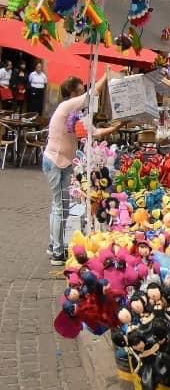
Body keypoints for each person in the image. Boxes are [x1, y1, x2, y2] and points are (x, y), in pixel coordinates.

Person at [42, 74, 120, 265]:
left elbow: (94, 132)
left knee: (60, 205)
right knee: (60, 206)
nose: (84, 93)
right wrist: (105, 75)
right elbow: (92, 94)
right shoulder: (66, 107)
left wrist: (118, 126)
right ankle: (57, 253)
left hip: (64, 162)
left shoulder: (76, 114)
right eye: (80, 90)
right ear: (73, 93)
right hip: (54, 160)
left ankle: (54, 244)